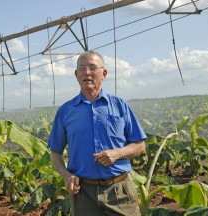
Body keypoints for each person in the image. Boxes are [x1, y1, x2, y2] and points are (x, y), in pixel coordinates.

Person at [48, 50, 146, 216]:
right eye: (82, 68)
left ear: (104, 73)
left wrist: (117, 154)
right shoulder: (66, 111)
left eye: (92, 67)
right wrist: (66, 176)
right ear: (76, 74)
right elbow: (55, 152)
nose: (87, 72)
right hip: (83, 193)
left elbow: (140, 145)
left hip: (119, 190)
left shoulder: (119, 105)